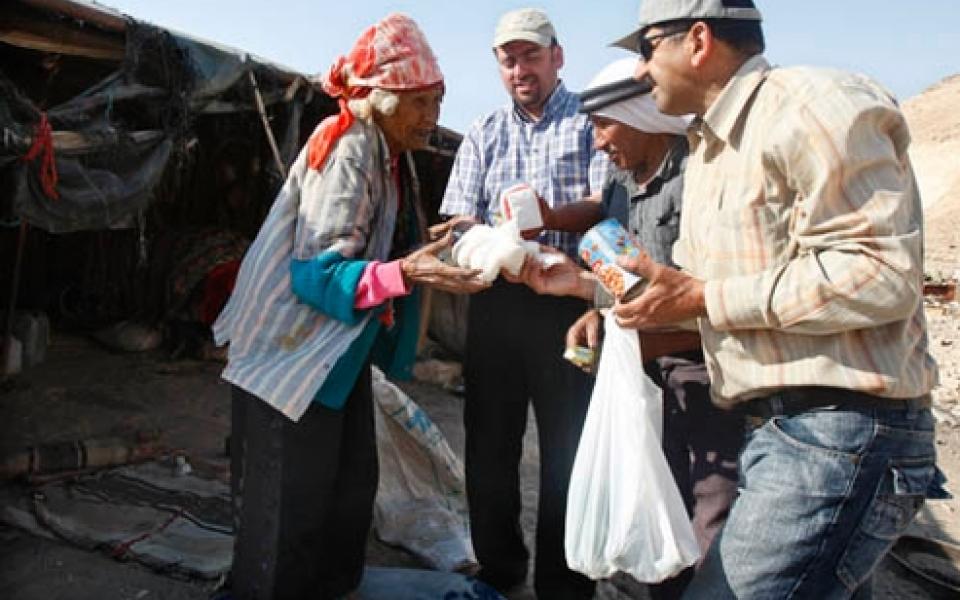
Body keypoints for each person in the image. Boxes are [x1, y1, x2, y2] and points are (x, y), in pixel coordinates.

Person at [605, 1, 942, 597]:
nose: (638, 72)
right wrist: (582, 287)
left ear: (699, 40)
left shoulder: (812, 106)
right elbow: (712, 294)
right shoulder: (711, 148)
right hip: (783, 430)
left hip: (843, 429)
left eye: (646, 48)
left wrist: (706, 295)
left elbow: (879, 275)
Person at [212, 14, 487, 599]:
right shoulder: (348, 148)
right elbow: (318, 275)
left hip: (331, 361)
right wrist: (410, 269)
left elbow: (373, 254)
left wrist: (425, 250)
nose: (432, 117)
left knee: (347, 494)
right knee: (287, 517)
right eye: (421, 102)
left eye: (438, 101)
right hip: (288, 364)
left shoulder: (388, 153)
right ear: (381, 96)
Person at [519, 57, 744, 599]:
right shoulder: (622, 181)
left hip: (704, 375)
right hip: (646, 375)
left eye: (603, 126)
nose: (597, 143)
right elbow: (625, 279)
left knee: (710, 519)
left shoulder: (701, 177)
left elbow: (710, 297)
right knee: (655, 512)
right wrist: (597, 313)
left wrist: (599, 302)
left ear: (642, 115)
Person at [437, 8, 607, 599]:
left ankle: (564, 585)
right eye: (509, 60)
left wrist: (548, 219)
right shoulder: (483, 130)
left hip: (568, 305)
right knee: (489, 445)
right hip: (496, 304)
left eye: (531, 55)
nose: (520, 69)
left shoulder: (590, 121)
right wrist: (483, 240)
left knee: (569, 450)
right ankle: (501, 569)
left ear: (557, 57)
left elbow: (605, 201)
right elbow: (458, 215)